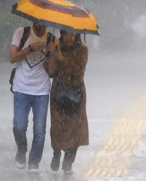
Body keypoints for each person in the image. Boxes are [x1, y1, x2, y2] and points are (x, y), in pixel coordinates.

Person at [8, 22, 56, 173]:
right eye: (38, 24)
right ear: (34, 21)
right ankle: (22, 149)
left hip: (41, 91)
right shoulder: (21, 33)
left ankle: (34, 162)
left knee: (39, 130)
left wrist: (51, 53)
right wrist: (30, 49)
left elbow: (53, 71)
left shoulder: (52, 39)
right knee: (19, 125)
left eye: (44, 25)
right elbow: (12, 57)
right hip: (21, 88)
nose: (41, 28)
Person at [45, 30, 89, 175]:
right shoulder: (56, 45)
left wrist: (62, 58)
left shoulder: (82, 49)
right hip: (58, 92)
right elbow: (50, 72)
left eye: (72, 34)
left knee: (75, 129)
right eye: (65, 34)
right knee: (57, 126)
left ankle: (68, 162)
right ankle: (56, 153)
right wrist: (51, 54)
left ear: (77, 35)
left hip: (76, 93)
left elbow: (78, 70)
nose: (68, 37)